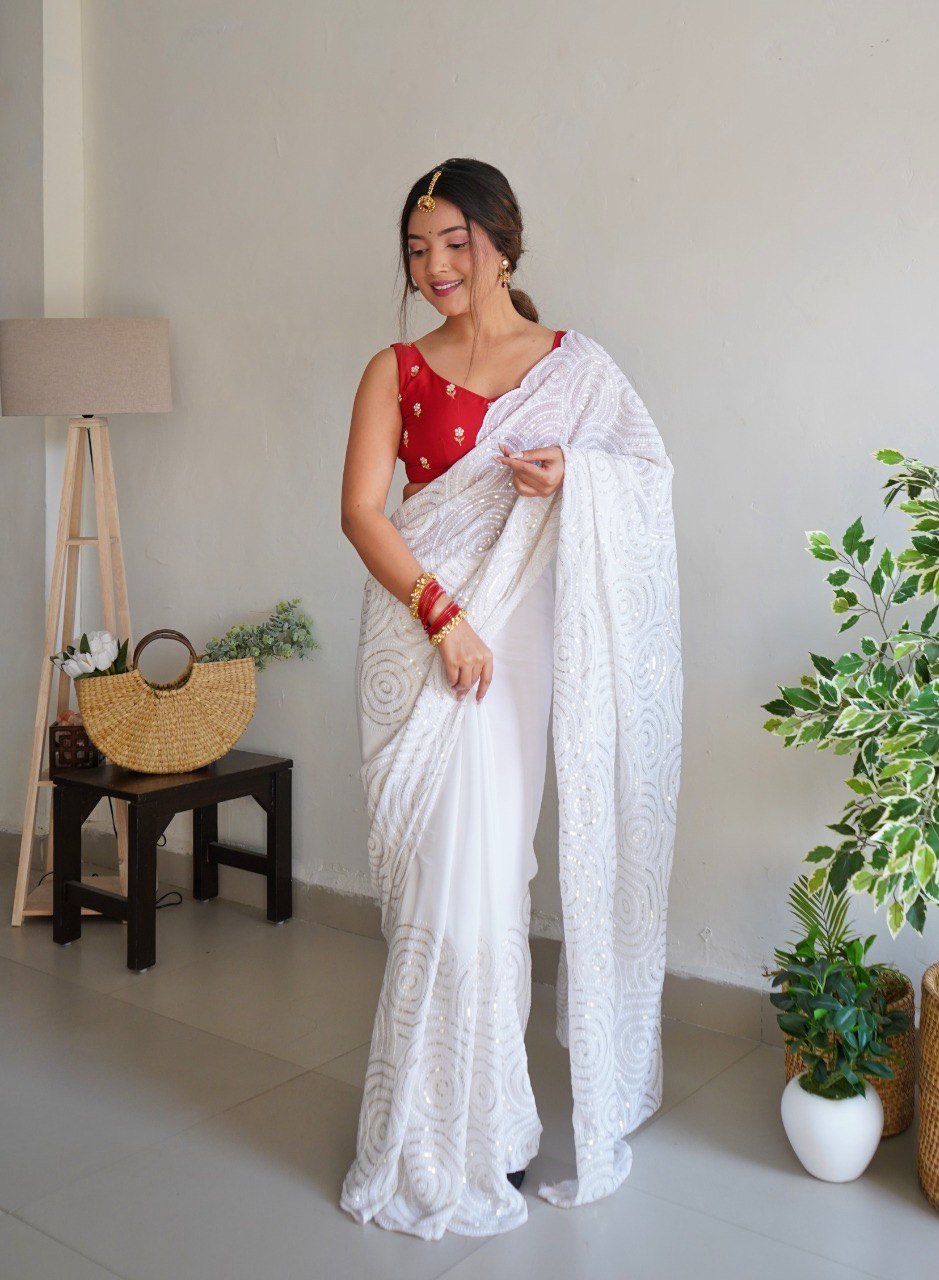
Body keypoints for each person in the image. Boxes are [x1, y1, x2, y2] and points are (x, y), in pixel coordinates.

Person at [338, 157, 683, 1240]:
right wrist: (442, 617)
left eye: (455, 242)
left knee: (493, 880)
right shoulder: (396, 370)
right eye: (417, 249)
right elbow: (363, 513)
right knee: (441, 888)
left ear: (502, 241)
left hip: (518, 648)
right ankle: (430, 1131)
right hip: (425, 639)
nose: (435, 266)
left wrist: (574, 475)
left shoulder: (573, 368)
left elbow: (646, 475)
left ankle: (491, 1124)